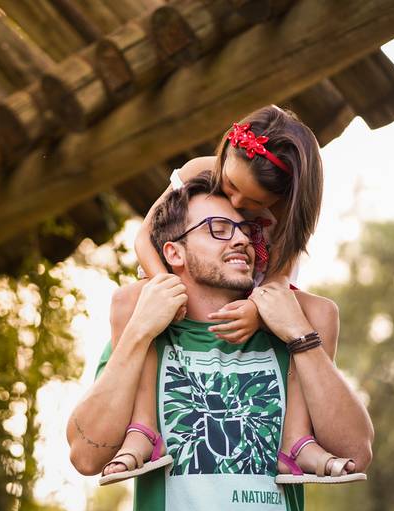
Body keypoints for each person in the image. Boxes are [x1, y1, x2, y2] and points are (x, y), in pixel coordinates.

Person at [85, 105, 367, 484]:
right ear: (225, 154)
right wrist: (167, 287)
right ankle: (142, 429)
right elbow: (143, 237)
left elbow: (278, 280)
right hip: (181, 272)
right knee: (132, 304)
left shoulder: (290, 213)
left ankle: (296, 439)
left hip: (257, 284)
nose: (234, 203)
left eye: (250, 207)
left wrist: (256, 309)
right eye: (230, 186)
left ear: (279, 199)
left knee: (320, 315)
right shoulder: (196, 172)